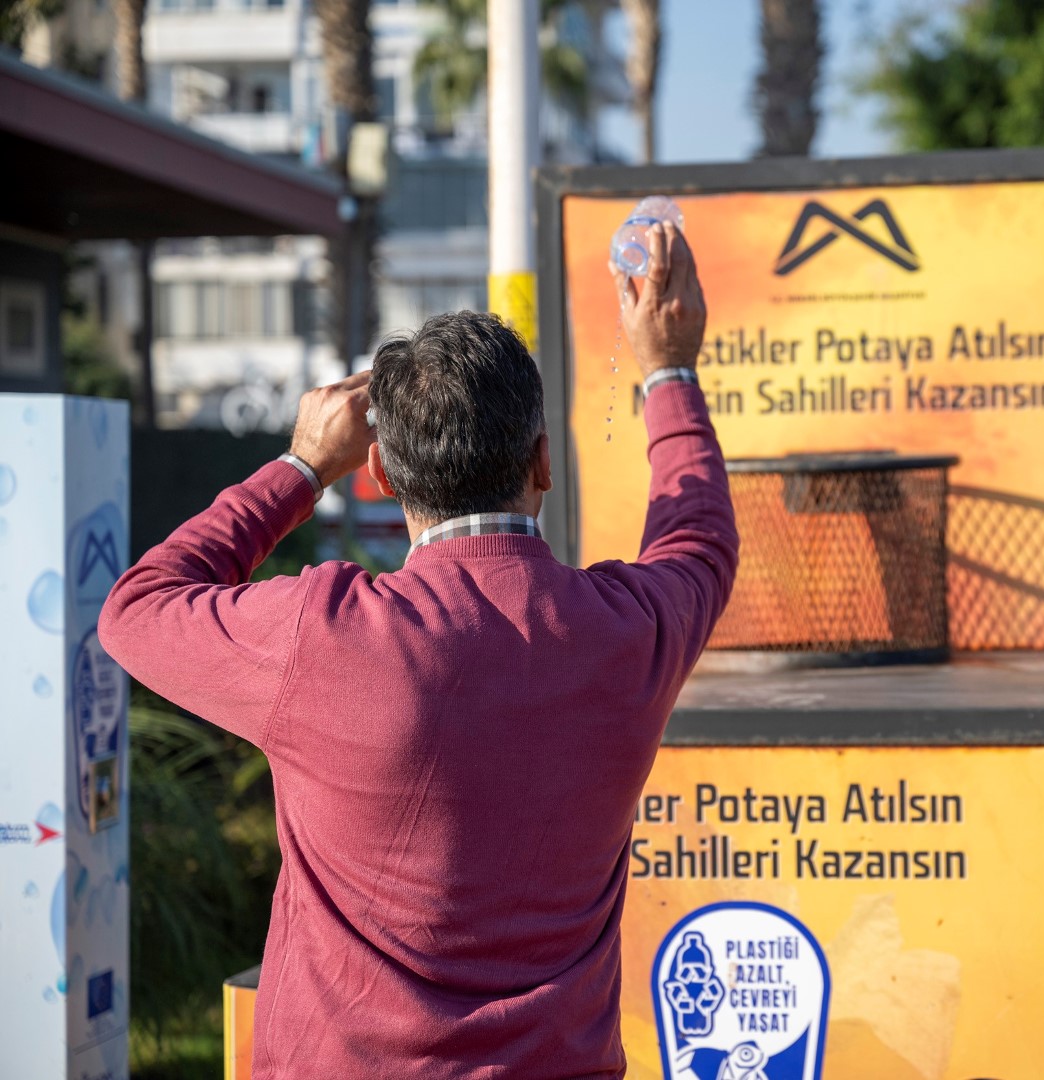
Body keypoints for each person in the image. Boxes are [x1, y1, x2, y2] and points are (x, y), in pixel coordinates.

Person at [99, 223, 736, 1078]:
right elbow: (698, 539)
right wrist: (669, 370)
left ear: (383, 477)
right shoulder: (629, 632)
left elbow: (136, 609)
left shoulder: (323, 637)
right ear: (542, 462)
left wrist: (299, 467)